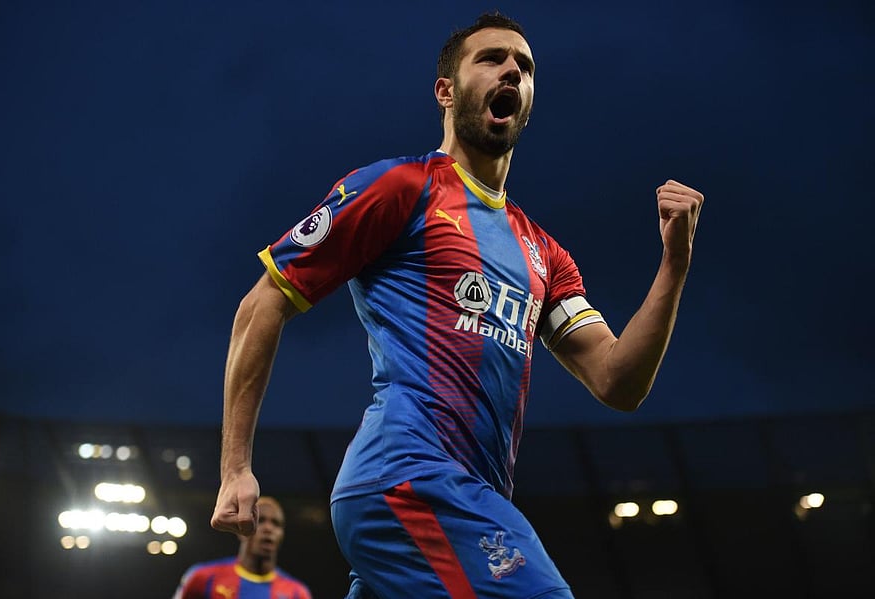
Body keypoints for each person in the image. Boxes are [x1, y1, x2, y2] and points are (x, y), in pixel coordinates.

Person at [211, 11, 704, 599]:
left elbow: (618, 381)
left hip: (469, 493)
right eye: (492, 59)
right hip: (408, 478)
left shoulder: (544, 254)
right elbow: (262, 304)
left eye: (523, 67)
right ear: (447, 91)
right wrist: (235, 467)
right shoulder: (399, 188)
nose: (511, 73)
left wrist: (674, 266)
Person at [174, 496, 312, 598]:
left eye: (276, 523)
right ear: (241, 530)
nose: (268, 529)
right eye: (260, 520)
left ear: (282, 534)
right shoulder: (203, 577)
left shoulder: (297, 593)